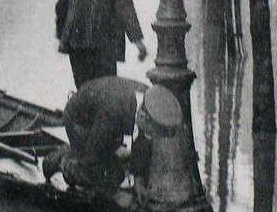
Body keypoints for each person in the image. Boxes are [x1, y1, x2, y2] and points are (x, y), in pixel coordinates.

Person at [42, 79, 182, 193]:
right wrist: (115, 194)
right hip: (79, 122)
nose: (150, 136)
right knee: (109, 175)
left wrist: (137, 179)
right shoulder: (113, 114)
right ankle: (62, 160)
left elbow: (142, 140)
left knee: (120, 162)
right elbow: (92, 155)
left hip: (102, 117)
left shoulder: (149, 100)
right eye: (151, 132)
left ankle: (82, 155)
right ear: (143, 116)